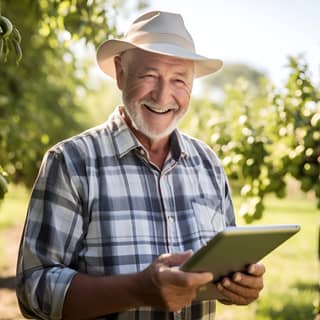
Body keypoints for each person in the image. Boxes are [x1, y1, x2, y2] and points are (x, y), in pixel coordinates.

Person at [16, 10, 265, 320]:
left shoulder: (208, 164)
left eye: (178, 80)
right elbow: (33, 289)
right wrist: (137, 290)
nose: (163, 96)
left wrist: (238, 284)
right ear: (121, 73)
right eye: (149, 75)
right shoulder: (70, 162)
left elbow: (222, 267)